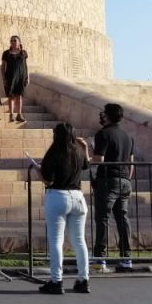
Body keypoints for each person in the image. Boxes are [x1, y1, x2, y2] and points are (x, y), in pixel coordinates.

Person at [39, 122, 92, 294]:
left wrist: (37, 171)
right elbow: (86, 165)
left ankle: (56, 280)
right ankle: (83, 279)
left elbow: (47, 179)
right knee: (79, 240)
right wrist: (85, 148)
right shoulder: (78, 151)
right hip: (78, 197)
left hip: (58, 196)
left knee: (56, 240)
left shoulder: (54, 152)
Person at [91, 103, 135, 272]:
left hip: (108, 180)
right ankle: (126, 258)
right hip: (124, 180)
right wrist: (127, 179)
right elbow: (131, 163)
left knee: (103, 218)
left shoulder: (103, 134)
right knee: (122, 218)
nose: (101, 115)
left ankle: (100, 258)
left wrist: (89, 152)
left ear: (107, 115)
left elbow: (99, 160)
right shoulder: (128, 136)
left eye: (103, 113)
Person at [1, 35, 29, 122]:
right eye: (11, 41)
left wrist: (27, 77)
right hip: (10, 77)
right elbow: (3, 67)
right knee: (11, 96)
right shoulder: (6, 53)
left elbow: (25, 65)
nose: (13, 42)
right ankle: (11, 115)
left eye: (15, 40)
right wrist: (4, 78)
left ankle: (19, 115)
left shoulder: (23, 53)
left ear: (19, 42)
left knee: (19, 96)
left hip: (21, 77)